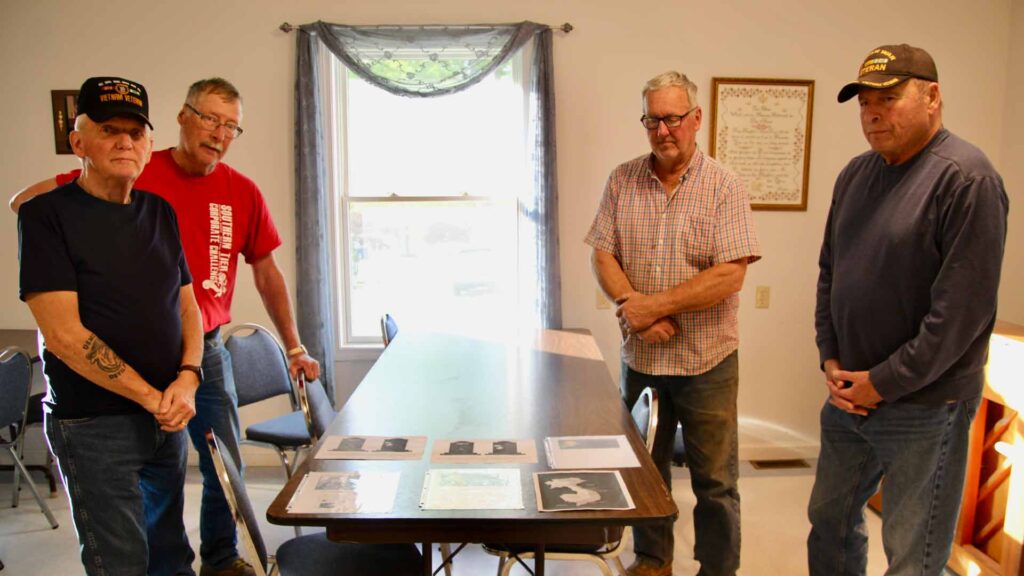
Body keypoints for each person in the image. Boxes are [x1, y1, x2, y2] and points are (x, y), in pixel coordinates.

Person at [12, 78, 321, 576]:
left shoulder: (180, 205)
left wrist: (200, 371)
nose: (219, 132)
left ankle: (220, 557)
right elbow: (28, 211)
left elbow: (223, 288)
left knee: (207, 486)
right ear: (183, 117)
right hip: (100, 408)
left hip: (196, 361)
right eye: (210, 118)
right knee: (122, 552)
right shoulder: (94, 189)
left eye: (231, 126)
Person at [808, 44, 1008, 576]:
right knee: (828, 522)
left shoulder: (967, 179)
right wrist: (830, 357)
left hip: (926, 405)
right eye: (865, 103)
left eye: (889, 99)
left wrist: (883, 382)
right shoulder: (855, 175)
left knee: (912, 555)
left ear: (932, 97)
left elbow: (959, 316)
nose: (873, 114)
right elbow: (830, 273)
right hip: (848, 397)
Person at [19, 76, 202, 575]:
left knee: (172, 557)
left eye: (135, 132)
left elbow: (188, 307)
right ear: (78, 143)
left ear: (148, 145)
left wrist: (188, 377)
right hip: (94, 425)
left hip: (167, 418)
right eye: (109, 130)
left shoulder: (159, 211)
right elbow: (64, 336)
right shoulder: (45, 217)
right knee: (120, 563)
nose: (125, 141)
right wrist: (151, 397)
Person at [585, 71, 761, 576]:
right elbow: (602, 253)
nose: (663, 130)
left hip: (708, 362)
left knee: (715, 481)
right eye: (652, 120)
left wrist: (653, 307)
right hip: (642, 358)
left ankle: (718, 569)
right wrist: (633, 308)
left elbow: (730, 275)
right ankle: (653, 558)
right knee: (645, 470)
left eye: (673, 118)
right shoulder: (622, 180)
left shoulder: (724, 185)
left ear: (696, 119)